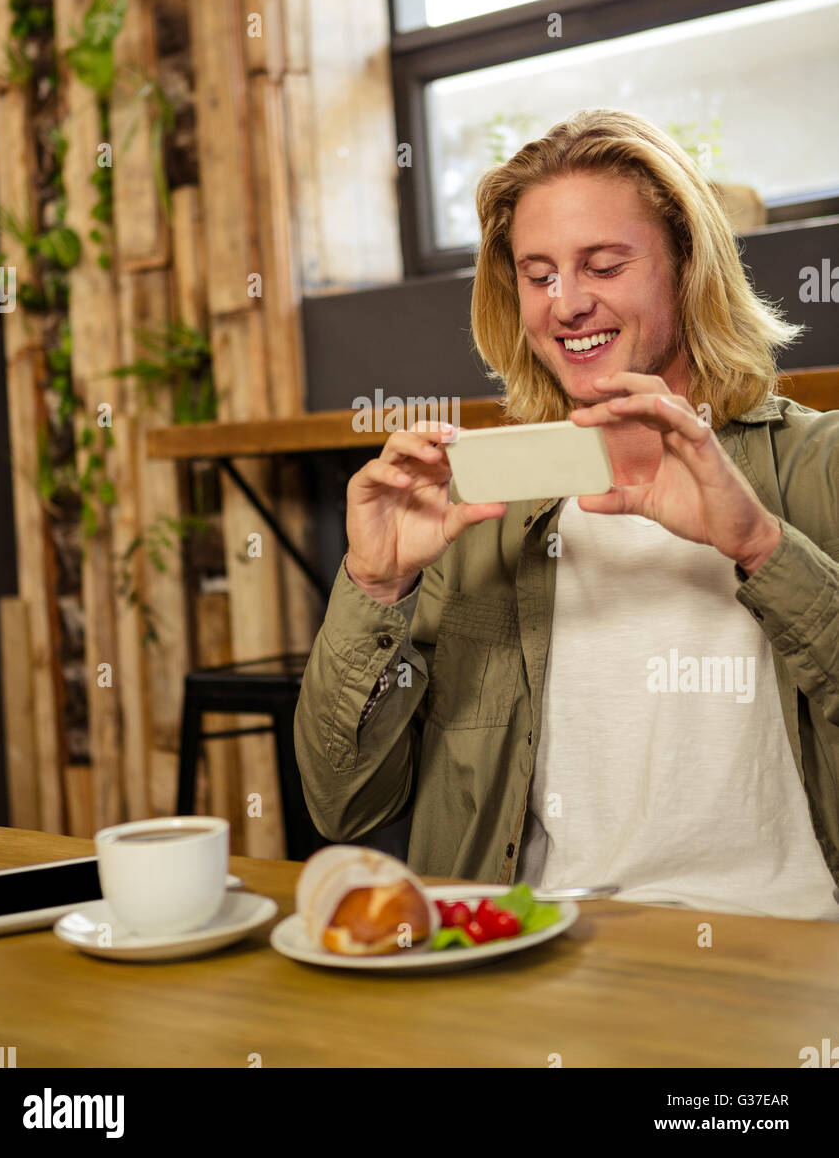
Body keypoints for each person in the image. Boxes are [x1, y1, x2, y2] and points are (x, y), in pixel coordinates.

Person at [294, 108, 839, 918]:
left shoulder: (818, 467)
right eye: (538, 273)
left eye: (605, 265)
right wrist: (374, 586)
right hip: (539, 954)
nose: (567, 303)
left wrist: (761, 546)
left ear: (687, 264)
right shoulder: (481, 510)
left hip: (783, 957)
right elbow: (346, 807)